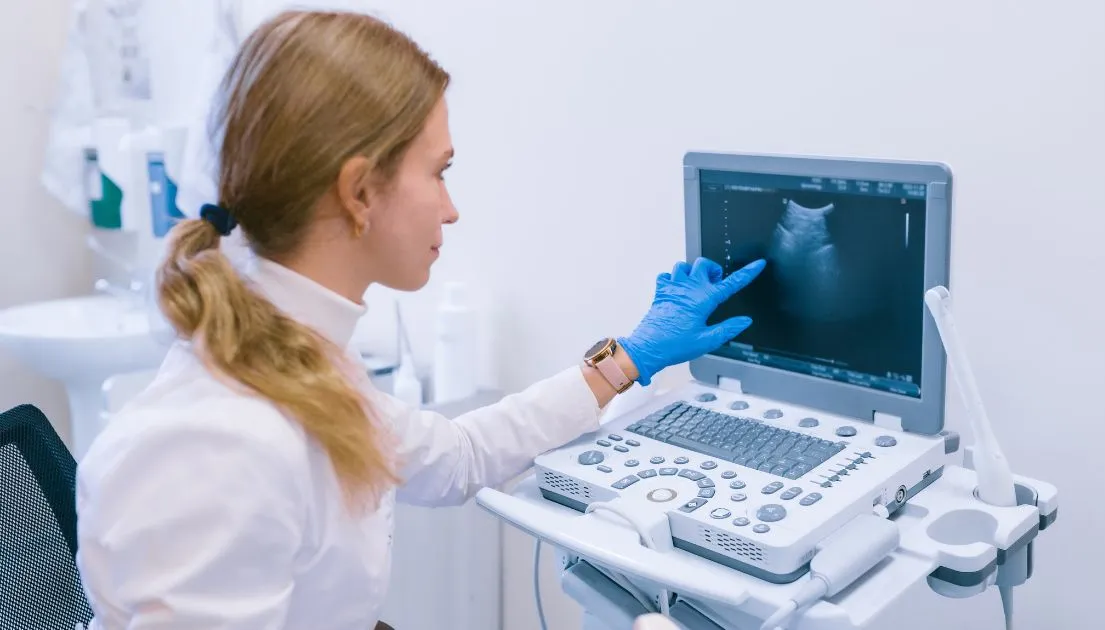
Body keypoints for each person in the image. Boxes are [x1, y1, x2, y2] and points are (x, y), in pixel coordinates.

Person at [72, 9, 765, 630]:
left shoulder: (294, 360)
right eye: (440, 172)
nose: (451, 208)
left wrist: (629, 357)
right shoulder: (219, 446)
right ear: (359, 190)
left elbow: (456, 457)